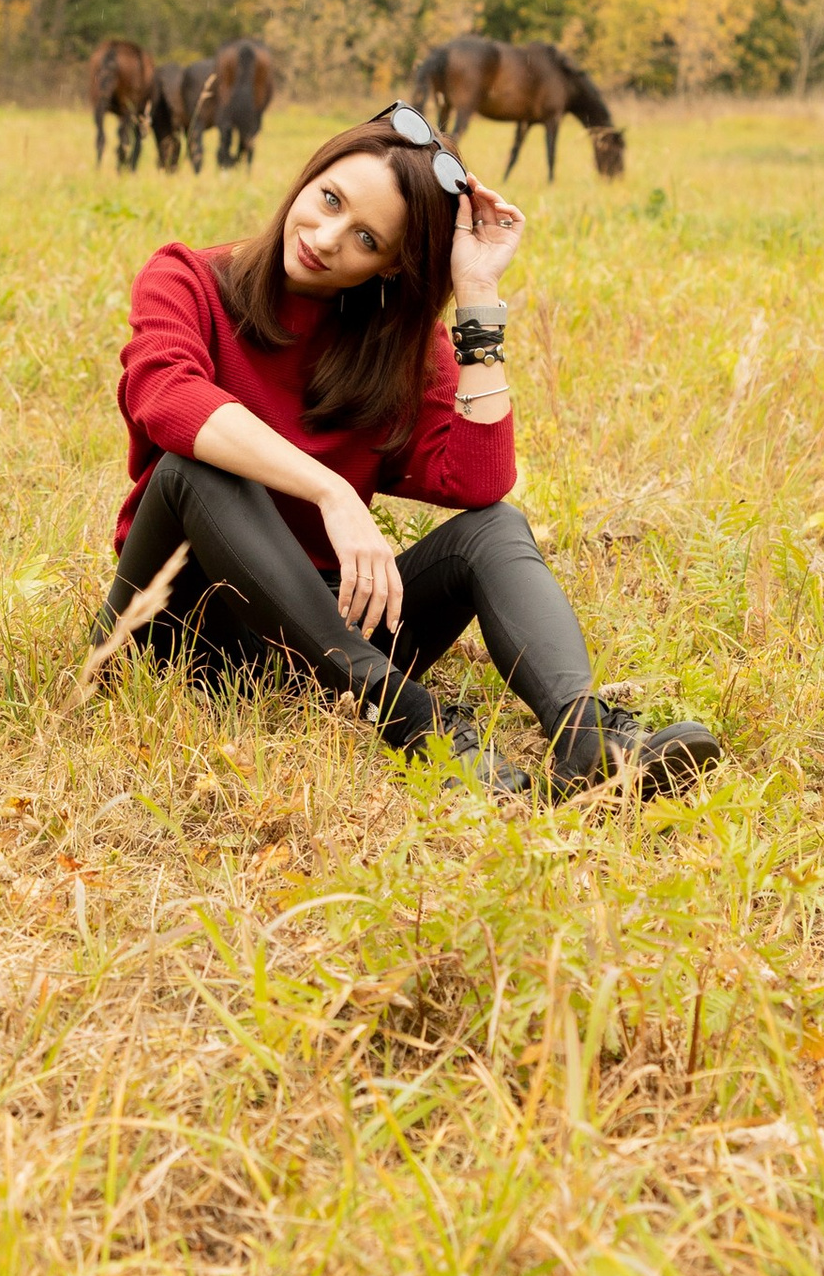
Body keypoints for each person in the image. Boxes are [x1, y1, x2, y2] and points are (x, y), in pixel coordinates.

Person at [99, 106, 722, 796]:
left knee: (495, 529)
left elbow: (478, 480)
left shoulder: (393, 348)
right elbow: (167, 397)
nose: (327, 238)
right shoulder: (186, 278)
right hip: (179, 632)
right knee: (194, 470)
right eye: (329, 200)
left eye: (365, 238)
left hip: (317, 639)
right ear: (309, 176)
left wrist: (477, 296)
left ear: (391, 264)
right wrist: (331, 491)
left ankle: (587, 739)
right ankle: (412, 719)